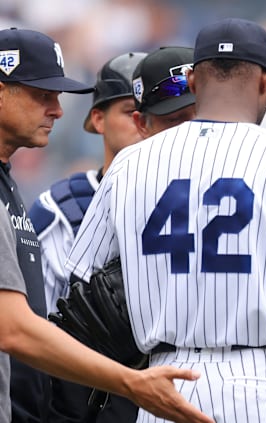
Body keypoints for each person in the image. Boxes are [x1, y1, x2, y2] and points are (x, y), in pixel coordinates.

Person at [64, 18, 266, 423]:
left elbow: (83, 288)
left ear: (192, 81)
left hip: (163, 384)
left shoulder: (129, 164)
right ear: (265, 80)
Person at [0, 26, 212, 423]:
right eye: (42, 95)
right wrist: (130, 382)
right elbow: (14, 328)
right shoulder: (59, 209)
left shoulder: (8, 185)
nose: (58, 110)